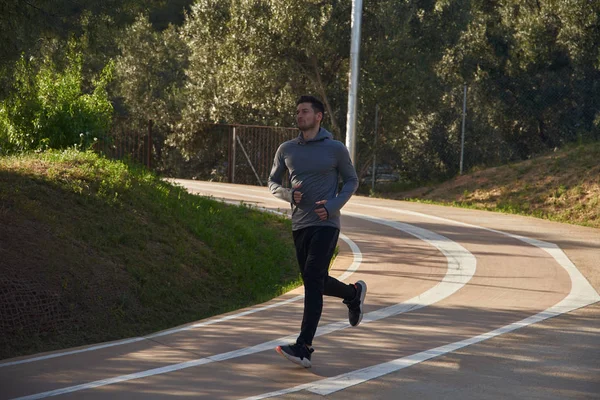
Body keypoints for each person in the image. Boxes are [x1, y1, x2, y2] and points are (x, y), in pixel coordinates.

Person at [268, 95, 366, 368]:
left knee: (312, 276)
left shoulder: (335, 148)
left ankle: (304, 346)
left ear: (318, 116)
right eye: (298, 112)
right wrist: (289, 194)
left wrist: (333, 205)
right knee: (316, 281)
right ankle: (352, 294)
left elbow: (351, 181)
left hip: (326, 223)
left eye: (305, 111)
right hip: (300, 225)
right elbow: (272, 182)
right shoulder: (286, 149)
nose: (299, 116)